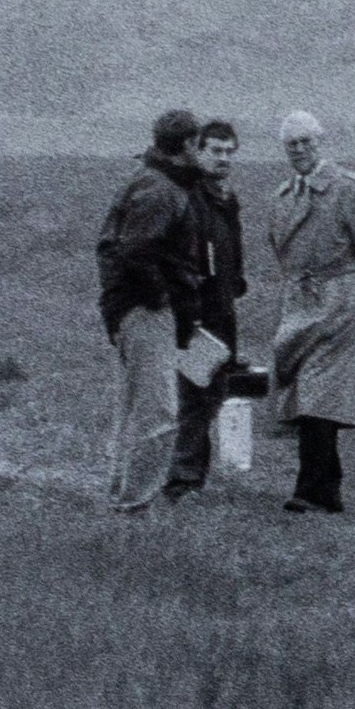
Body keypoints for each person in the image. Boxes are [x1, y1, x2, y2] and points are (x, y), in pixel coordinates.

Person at [269, 110, 355, 514]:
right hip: (300, 299)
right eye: (292, 144)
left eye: (306, 142)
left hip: (340, 297)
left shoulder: (351, 190)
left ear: (320, 142)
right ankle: (329, 488)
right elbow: (280, 251)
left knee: (320, 391)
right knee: (307, 388)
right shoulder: (283, 197)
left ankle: (306, 489)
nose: (300, 150)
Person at [96, 110, 206, 514]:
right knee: (159, 411)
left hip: (133, 310)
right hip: (145, 312)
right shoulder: (161, 190)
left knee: (132, 409)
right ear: (187, 146)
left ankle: (120, 495)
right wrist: (162, 299)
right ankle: (134, 505)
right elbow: (136, 252)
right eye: (198, 143)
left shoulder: (153, 181)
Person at [166, 119, 247, 501]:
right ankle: (182, 477)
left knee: (213, 391)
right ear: (198, 151)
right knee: (195, 392)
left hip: (222, 307)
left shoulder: (225, 198)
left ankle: (191, 473)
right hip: (195, 311)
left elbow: (231, 246)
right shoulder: (188, 196)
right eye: (215, 150)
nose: (223, 158)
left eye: (229, 151)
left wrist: (236, 283)